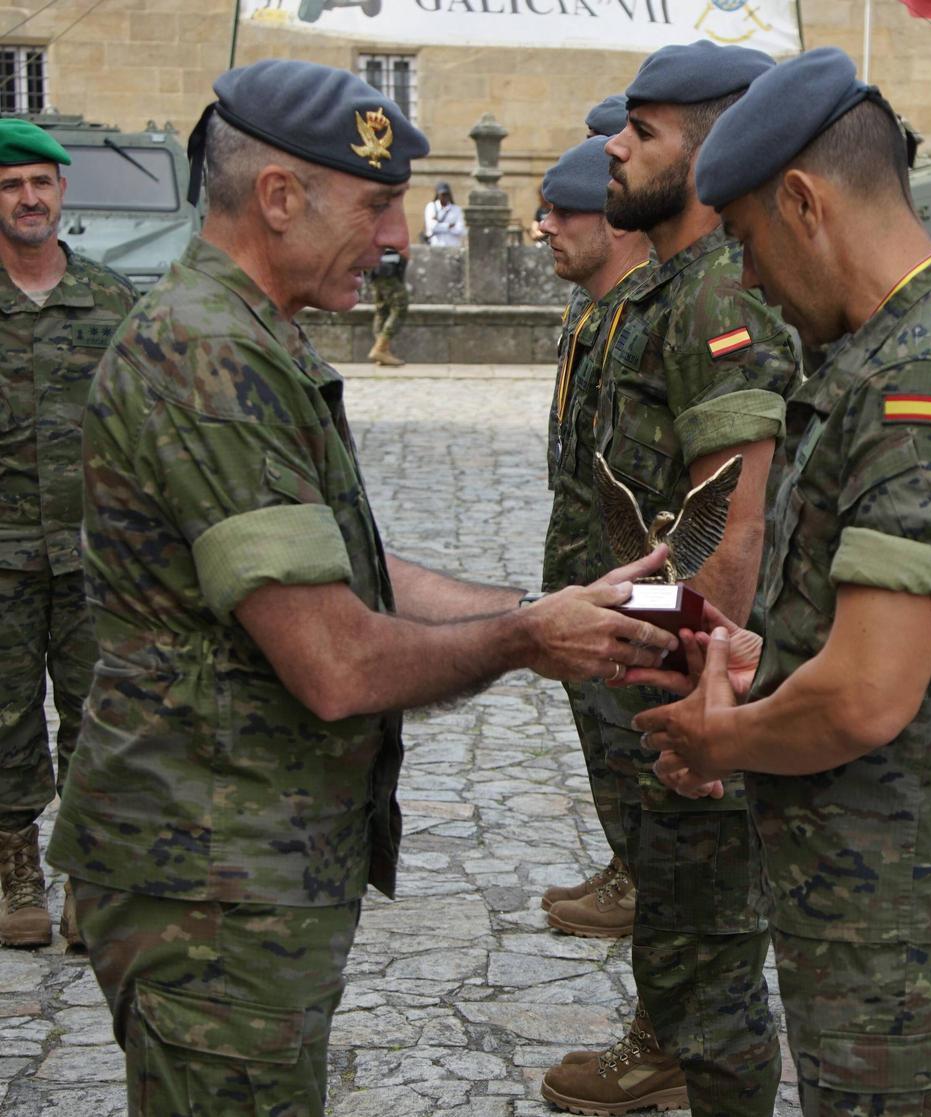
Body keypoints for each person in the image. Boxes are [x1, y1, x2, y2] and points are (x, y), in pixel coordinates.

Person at [45, 60, 678, 1117]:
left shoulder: (250, 336)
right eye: (377, 205)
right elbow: (335, 661)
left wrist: (570, 612)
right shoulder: (208, 359)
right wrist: (527, 637)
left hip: (249, 858)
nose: (394, 237)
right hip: (208, 875)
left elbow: (359, 574)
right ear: (280, 198)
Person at [632, 47, 931, 1116]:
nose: (744, 280)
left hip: (903, 908)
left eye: (743, 242)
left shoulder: (925, 382)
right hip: (894, 890)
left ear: (802, 201)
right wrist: (760, 658)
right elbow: (881, 632)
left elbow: (870, 691)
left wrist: (720, 738)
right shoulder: (915, 346)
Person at [540, 40, 801, 1117]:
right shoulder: (665, 288)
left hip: (684, 663)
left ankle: (709, 1079)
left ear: (707, 151)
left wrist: (708, 702)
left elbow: (732, 526)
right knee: (676, 906)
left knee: (709, 937)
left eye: (641, 131)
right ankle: (668, 1047)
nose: (613, 143)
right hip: (643, 646)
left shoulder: (715, 300)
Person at [0, 119, 139, 951]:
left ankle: (89, 876)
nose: (28, 198)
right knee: (4, 718)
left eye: (40, 183)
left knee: (99, 716)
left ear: (62, 191)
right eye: (11, 185)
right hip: (2, 563)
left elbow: (144, 425)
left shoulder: (114, 301)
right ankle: (17, 871)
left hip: (94, 560)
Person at [538, 135, 651, 950]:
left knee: (634, 723)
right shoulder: (594, 307)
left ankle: (646, 870)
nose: (543, 225)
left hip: (634, 566)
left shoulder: (655, 312)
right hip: (583, 545)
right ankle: (628, 858)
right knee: (599, 720)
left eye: (562, 211)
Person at [367, 242, 408, 366]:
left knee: (382, 310)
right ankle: (380, 348)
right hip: (388, 266)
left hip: (374, 265)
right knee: (400, 307)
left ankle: (382, 351)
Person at [423, 179, 465, 246]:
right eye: (443, 194)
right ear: (438, 194)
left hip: (453, 246)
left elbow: (460, 230)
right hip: (435, 245)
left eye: (447, 194)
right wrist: (449, 226)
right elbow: (432, 226)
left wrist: (440, 226)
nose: (445, 197)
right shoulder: (431, 207)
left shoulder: (457, 209)